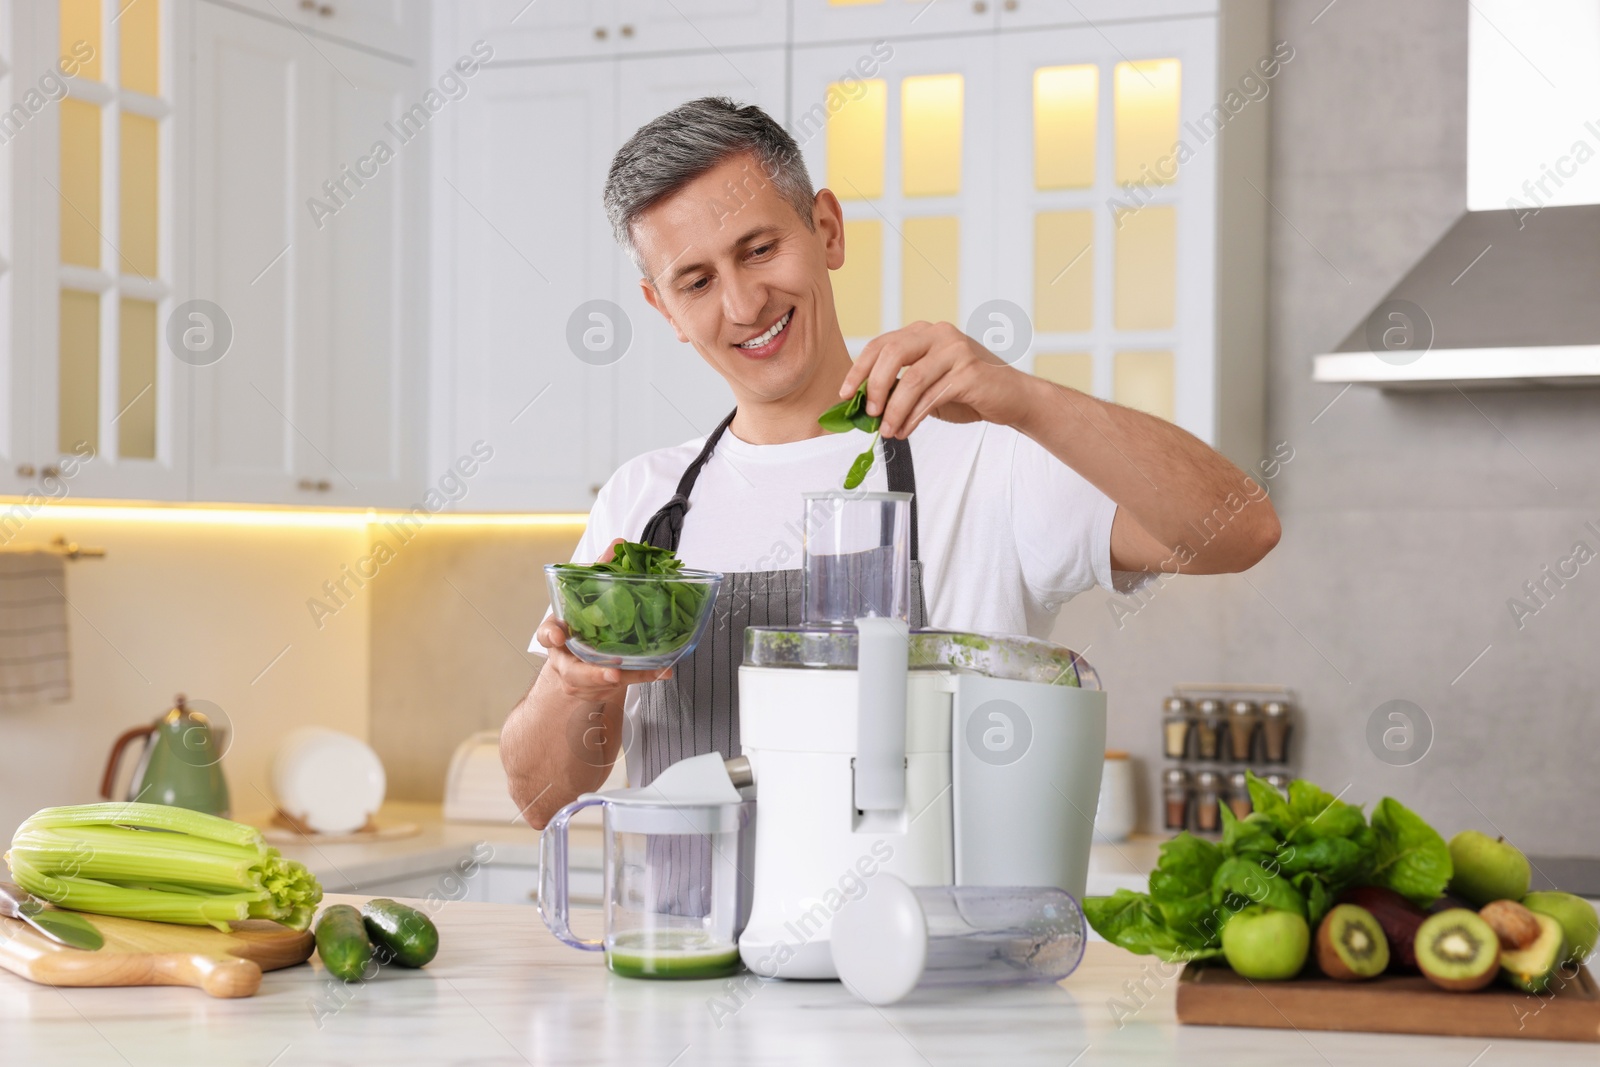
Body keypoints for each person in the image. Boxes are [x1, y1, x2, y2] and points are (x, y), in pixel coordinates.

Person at [502, 97, 1279, 829]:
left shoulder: (986, 454)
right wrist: (576, 683)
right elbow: (541, 796)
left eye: (761, 249)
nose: (742, 305)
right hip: (697, 960)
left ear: (827, 230)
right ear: (663, 307)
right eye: (697, 282)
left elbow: (1242, 530)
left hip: (925, 959)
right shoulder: (644, 504)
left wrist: (1027, 398)